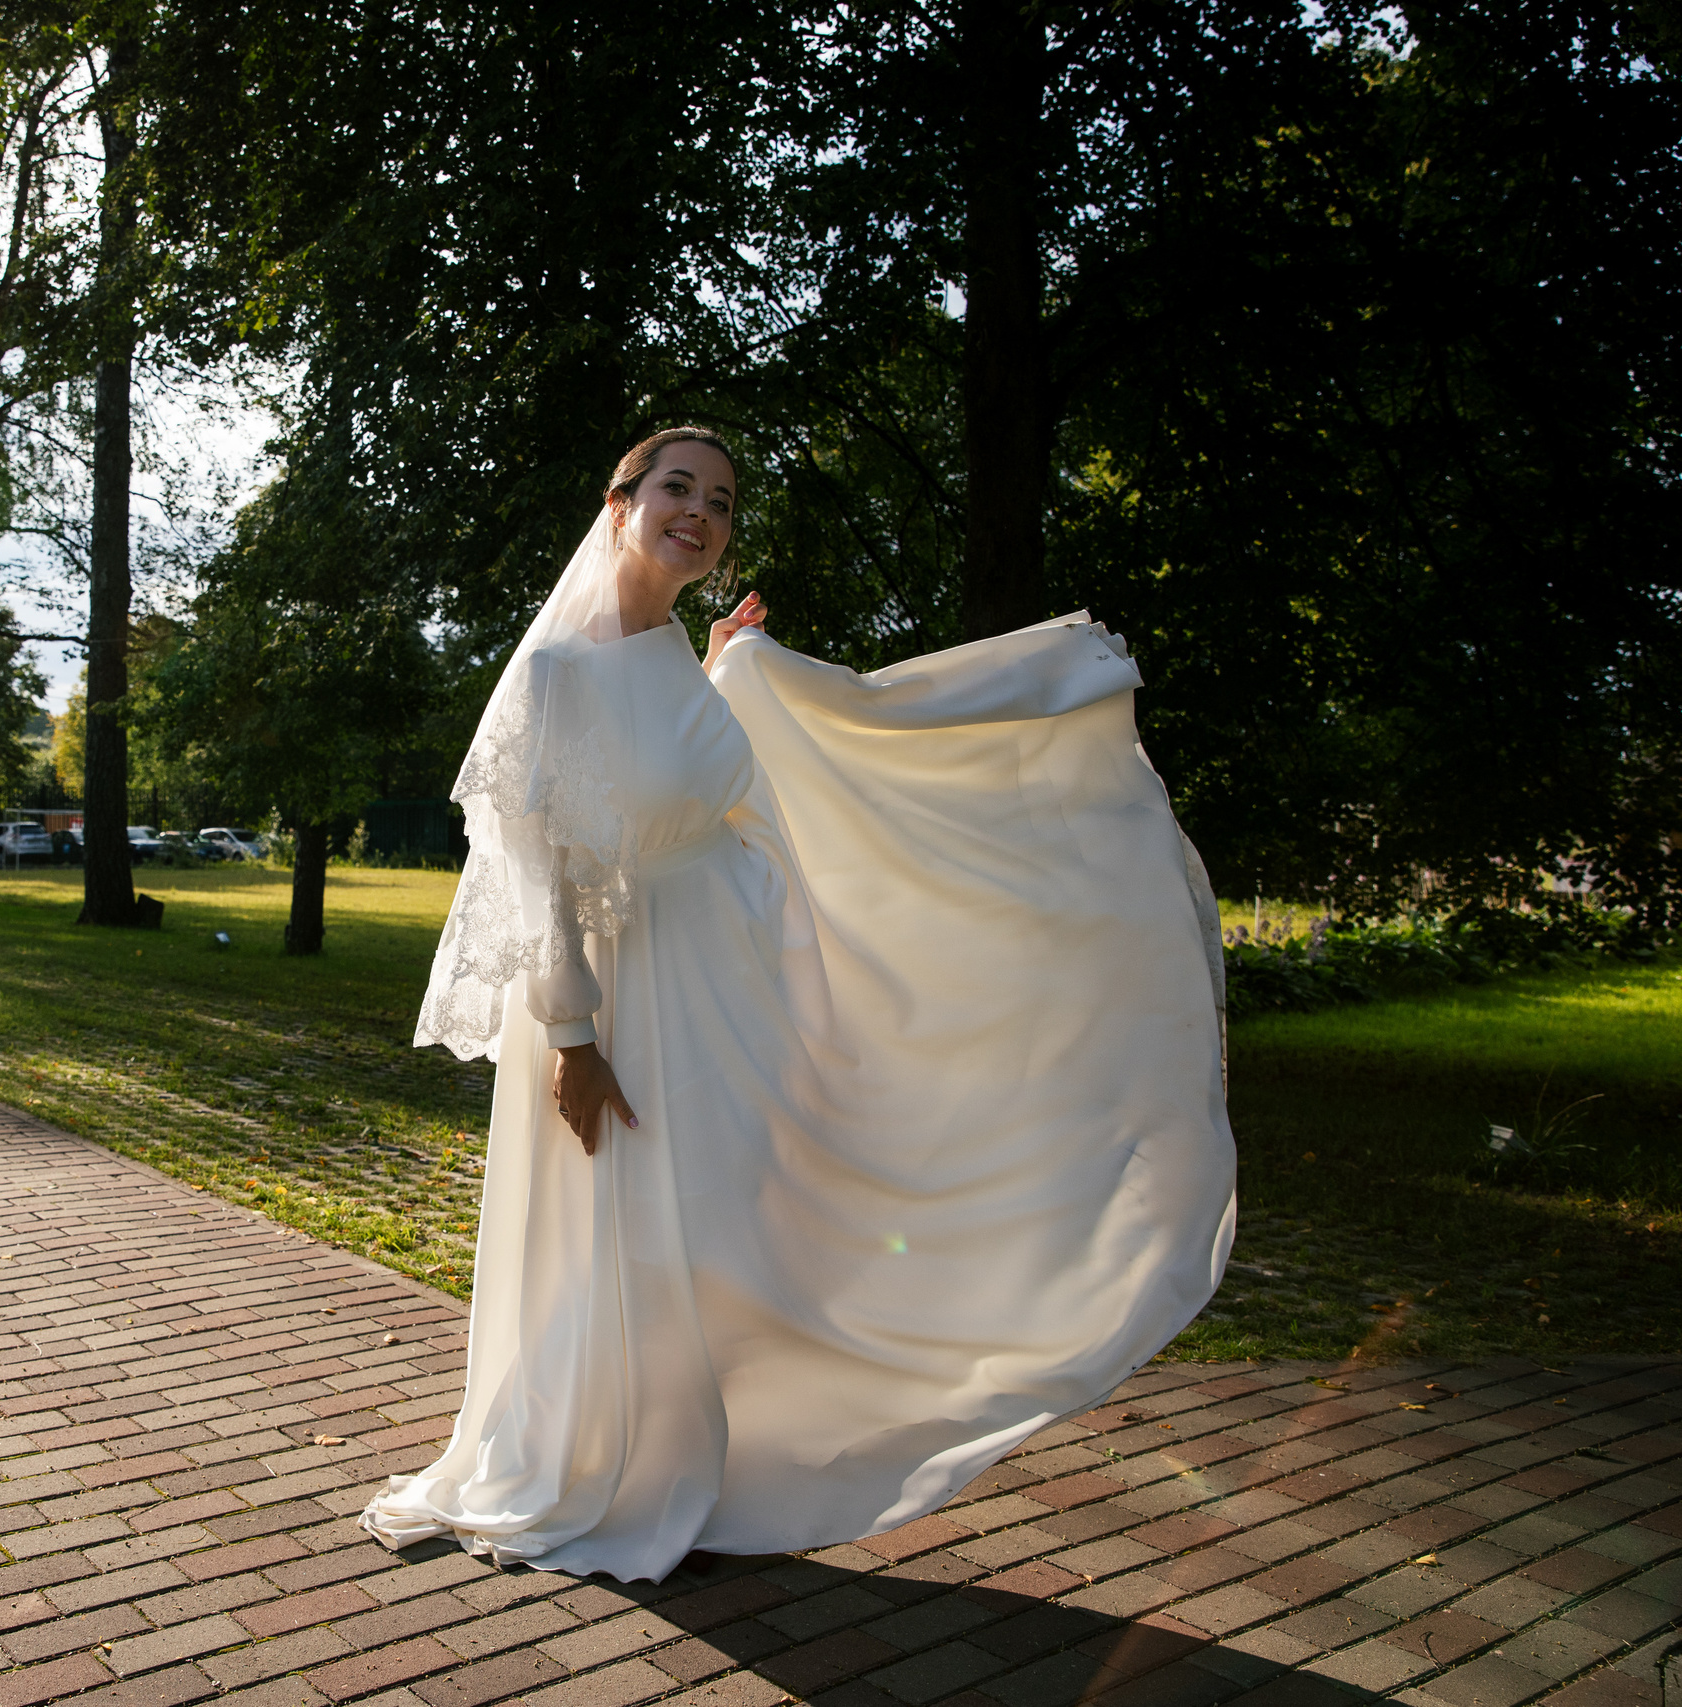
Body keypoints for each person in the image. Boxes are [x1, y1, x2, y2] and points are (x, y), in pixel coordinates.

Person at [361, 428, 1235, 1582]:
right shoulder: (553, 673)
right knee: (630, 1233)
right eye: (678, 488)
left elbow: (686, 774)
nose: (700, 512)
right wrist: (572, 1038)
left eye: (719, 501)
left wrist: (727, 670)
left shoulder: (677, 652)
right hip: (619, 1003)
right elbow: (541, 869)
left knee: (732, 1220)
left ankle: (700, 1446)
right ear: (619, 501)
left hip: (718, 987)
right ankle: (599, 1456)